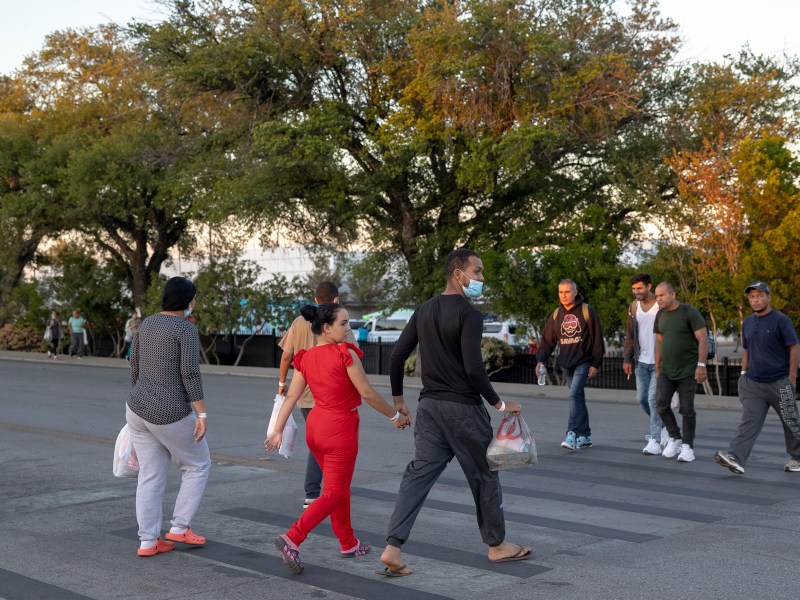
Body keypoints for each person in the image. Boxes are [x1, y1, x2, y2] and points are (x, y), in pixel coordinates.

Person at [379, 247, 530, 578]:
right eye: (477, 272)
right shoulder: (469, 315)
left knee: (418, 475)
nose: (481, 278)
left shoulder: (424, 310)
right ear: (458, 274)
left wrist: (399, 398)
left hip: (429, 409)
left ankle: (393, 547)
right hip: (462, 408)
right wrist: (500, 404)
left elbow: (396, 356)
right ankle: (497, 545)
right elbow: (474, 370)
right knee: (485, 475)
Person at [265, 303, 409, 574]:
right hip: (339, 428)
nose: (348, 328)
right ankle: (292, 538)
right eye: (343, 324)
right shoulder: (345, 355)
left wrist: (277, 430)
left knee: (337, 488)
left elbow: (293, 397)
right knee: (335, 491)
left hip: (316, 427)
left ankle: (348, 543)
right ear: (327, 328)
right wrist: (394, 417)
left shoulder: (306, 358)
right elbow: (366, 393)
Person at [126, 276, 211, 557]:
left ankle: (148, 542)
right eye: (194, 298)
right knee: (198, 465)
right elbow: (190, 373)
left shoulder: (147, 323)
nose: (194, 303)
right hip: (169, 411)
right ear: (186, 301)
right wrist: (202, 413)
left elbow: (134, 365)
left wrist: (141, 393)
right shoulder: (184, 330)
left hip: (137, 408)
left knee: (150, 475)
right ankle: (179, 527)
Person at [277, 281, 357, 511]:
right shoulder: (338, 322)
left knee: (321, 443)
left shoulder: (299, 322)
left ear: (315, 300)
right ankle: (315, 493)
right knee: (326, 445)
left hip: (304, 392)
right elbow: (351, 354)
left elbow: (286, 356)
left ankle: (325, 491)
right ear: (335, 300)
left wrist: (282, 383)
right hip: (331, 393)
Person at [715, 281, 800, 474]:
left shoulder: (781, 320)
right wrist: (743, 373)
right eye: (752, 297)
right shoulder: (748, 322)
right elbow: (746, 349)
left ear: (769, 297)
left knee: (791, 420)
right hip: (753, 382)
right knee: (749, 420)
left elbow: (794, 347)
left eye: (760, 295)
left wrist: (792, 378)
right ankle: (736, 457)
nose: (755, 300)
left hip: (779, 381)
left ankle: (797, 457)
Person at [536, 279, 605, 450]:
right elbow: (547, 341)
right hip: (567, 363)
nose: (564, 295)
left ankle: (571, 433)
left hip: (584, 361)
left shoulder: (587, 310)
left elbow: (598, 340)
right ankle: (585, 436)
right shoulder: (556, 314)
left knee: (574, 395)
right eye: (561, 292)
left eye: (567, 292)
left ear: (575, 292)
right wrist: (540, 361)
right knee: (578, 398)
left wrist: (596, 364)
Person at [653, 282, 709, 463]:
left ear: (673, 294)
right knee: (661, 404)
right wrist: (657, 367)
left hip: (688, 370)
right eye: (656, 296)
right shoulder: (660, 315)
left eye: (662, 295)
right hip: (666, 370)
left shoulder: (689, 312)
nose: (658, 299)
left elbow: (703, 339)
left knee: (687, 410)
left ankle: (687, 446)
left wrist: (701, 364)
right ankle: (675, 437)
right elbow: (659, 342)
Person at [623, 274, 667, 455]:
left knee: (652, 399)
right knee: (641, 400)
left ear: (649, 286)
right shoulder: (634, 307)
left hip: (660, 362)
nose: (636, 292)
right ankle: (666, 427)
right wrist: (627, 358)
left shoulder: (661, 305)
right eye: (634, 289)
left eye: (639, 288)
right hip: (641, 361)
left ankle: (655, 440)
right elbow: (630, 335)